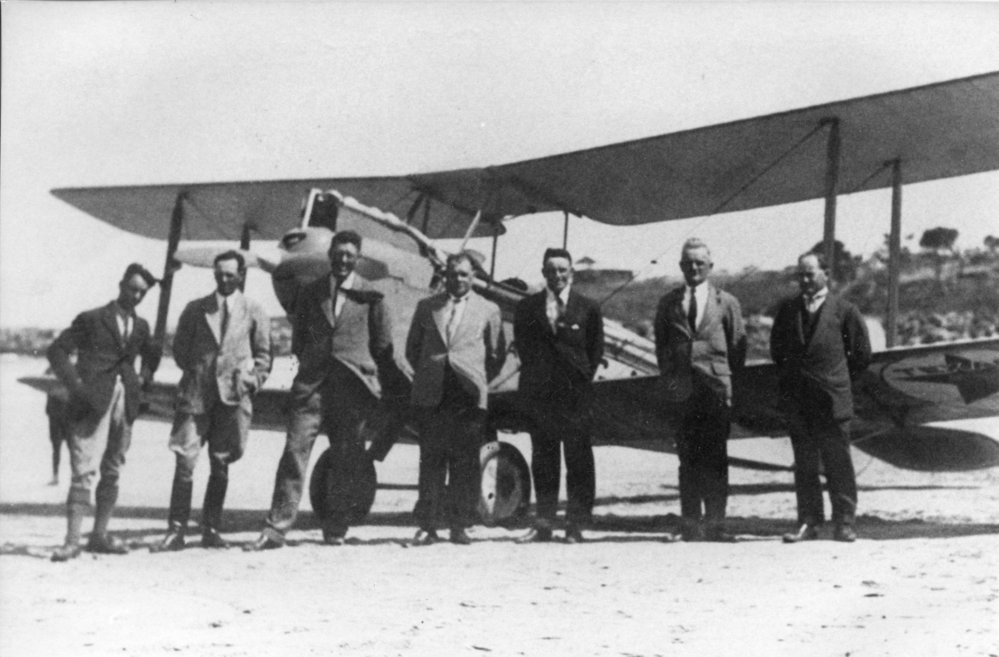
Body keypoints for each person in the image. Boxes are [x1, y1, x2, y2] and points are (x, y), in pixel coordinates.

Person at [245, 230, 395, 550]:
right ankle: (276, 529)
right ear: (330, 255)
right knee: (293, 455)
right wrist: (311, 369)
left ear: (357, 258)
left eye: (349, 255)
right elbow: (300, 340)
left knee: (346, 459)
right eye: (338, 254)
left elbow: (382, 346)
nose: (342, 260)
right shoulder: (311, 293)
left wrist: (369, 382)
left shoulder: (372, 297)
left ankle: (336, 529)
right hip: (311, 388)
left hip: (351, 390)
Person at [152, 251, 272, 552]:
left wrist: (251, 381)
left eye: (230, 274)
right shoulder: (196, 309)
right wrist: (199, 373)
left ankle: (211, 530)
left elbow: (263, 357)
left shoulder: (254, 310)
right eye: (219, 273)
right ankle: (176, 531)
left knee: (221, 463)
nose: (224, 278)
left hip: (232, 399)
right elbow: (180, 349)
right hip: (196, 396)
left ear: (241, 275)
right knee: (185, 461)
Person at [46, 263, 161, 562]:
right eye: (132, 288)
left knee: (113, 468)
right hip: (91, 402)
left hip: (126, 403)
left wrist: (145, 377)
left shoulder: (142, 326)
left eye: (142, 293)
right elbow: (56, 351)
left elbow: (151, 352)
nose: (135, 296)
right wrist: (76, 387)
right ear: (121, 285)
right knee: (83, 470)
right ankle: (72, 541)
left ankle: (99, 535)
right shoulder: (92, 319)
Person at [405, 252, 506, 546]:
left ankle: (460, 525)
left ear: (473, 277)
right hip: (434, 392)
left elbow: (495, 354)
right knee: (431, 460)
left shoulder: (489, 310)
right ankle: (428, 525)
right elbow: (413, 349)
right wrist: (430, 371)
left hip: (467, 394)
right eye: (452, 274)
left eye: (463, 274)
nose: (458, 279)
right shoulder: (427, 307)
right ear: (445, 276)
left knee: (465, 462)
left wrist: (475, 377)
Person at [771, 252, 871, 543]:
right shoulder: (788, 311)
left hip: (831, 399)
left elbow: (861, 355)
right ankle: (809, 522)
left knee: (838, 463)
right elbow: (778, 351)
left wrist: (835, 381)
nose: (804, 280)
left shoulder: (845, 310)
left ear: (825, 274)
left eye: (810, 274)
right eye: (800, 275)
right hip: (799, 400)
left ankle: (845, 522)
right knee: (805, 465)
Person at [654, 238, 746, 542]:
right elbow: (662, 346)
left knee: (716, 457)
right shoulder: (668, 303)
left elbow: (737, 347)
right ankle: (691, 524)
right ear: (681, 266)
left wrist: (723, 379)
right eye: (688, 263)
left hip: (715, 389)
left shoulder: (727, 302)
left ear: (710, 266)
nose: (694, 267)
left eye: (699, 263)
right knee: (688, 458)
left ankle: (716, 524)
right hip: (681, 389)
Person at [514, 248, 604, 544]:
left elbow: (595, 350)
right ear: (543, 273)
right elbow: (524, 348)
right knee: (544, 457)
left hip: (575, 394)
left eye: (562, 270)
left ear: (571, 273)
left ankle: (577, 523)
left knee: (578, 458)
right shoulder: (527, 308)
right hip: (541, 394)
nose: (557, 276)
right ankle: (544, 522)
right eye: (551, 270)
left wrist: (579, 377)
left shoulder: (588, 308)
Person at [45, 388, 72, 486]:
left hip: (65, 417)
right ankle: (56, 477)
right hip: (57, 418)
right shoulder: (49, 373)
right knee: (57, 449)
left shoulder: (49, 373)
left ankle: (72, 477)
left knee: (71, 449)